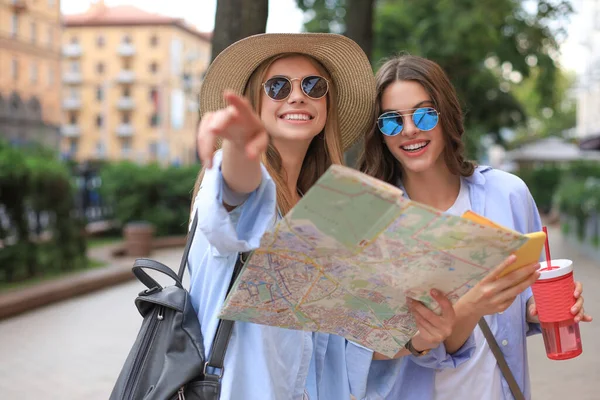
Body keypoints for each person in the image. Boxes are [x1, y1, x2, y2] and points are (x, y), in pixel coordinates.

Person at [188, 34, 472, 400]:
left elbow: (343, 350)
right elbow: (234, 193)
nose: (297, 95)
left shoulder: (329, 214)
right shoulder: (238, 186)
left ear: (327, 104)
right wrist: (241, 150)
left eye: (313, 85)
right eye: (277, 86)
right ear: (253, 102)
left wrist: (421, 338)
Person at [358, 54, 592, 400]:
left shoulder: (508, 194)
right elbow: (360, 345)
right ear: (380, 133)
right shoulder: (371, 217)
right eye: (392, 121)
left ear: (447, 115)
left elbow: (529, 294)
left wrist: (537, 309)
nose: (409, 130)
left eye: (424, 113)